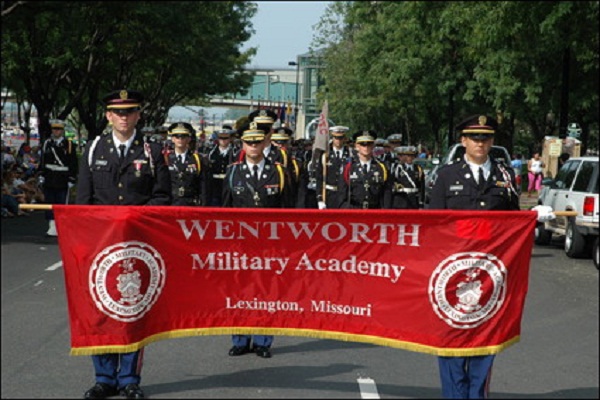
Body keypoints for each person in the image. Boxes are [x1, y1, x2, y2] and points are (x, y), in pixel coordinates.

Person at [76, 89, 171, 400]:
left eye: (130, 111)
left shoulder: (153, 151)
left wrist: (137, 218)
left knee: (133, 310)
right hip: (100, 244)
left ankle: (129, 378)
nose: (124, 117)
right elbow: (83, 201)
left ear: (139, 115)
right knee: (100, 309)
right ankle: (104, 378)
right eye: (118, 112)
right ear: (108, 116)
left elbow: (162, 198)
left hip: (137, 243)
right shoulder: (93, 149)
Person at [429, 114, 519, 399]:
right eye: (475, 137)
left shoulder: (504, 176)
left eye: (486, 138)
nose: (481, 143)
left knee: (485, 337)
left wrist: (532, 217)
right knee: (451, 337)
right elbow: (434, 226)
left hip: (491, 274)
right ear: (463, 140)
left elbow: (513, 224)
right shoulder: (446, 175)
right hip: (452, 272)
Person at [222, 121, 291, 359]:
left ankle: (263, 341)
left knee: (266, 291)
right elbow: (224, 210)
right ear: (242, 144)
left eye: (257, 142)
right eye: (248, 142)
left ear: (265, 143)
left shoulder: (279, 171)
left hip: (269, 243)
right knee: (239, 290)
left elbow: (288, 210)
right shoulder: (232, 172)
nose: (253, 146)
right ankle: (240, 339)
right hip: (239, 242)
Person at [37, 119, 79, 236]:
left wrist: (72, 178)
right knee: (50, 202)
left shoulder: (69, 144)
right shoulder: (47, 143)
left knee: (61, 202)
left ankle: (60, 225)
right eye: (54, 129)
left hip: (62, 177)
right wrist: (41, 174)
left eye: (59, 129)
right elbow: (43, 160)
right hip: (50, 176)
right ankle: (51, 225)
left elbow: (73, 162)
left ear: (62, 130)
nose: (56, 131)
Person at [338, 131, 392, 209]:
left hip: (374, 211)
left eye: (369, 144)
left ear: (373, 146)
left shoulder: (381, 167)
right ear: (356, 146)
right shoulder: (348, 167)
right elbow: (342, 194)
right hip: (354, 210)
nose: (366, 147)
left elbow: (387, 193)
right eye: (362, 144)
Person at [166, 122, 207, 206]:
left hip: (191, 204)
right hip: (171, 203)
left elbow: (203, 186)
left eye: (183, 136)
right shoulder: (166, 159)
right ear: (172, 139)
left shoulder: (198, 160)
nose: (180, 139)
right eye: (177, 136)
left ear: (188, 139)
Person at [315, 125, 351, 209]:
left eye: (341, 138)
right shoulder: (325, 155)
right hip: (328, 194)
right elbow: (319, 177)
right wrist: (319, 198)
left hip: (345, 195)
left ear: (344, 139)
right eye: (336, 138)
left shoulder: (350, 154)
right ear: (332, 138)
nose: (338, 140)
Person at [206, 127, 236, 206]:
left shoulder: (234, 152)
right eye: (221, 138)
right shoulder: (211, 153)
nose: (223, 140)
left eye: (226, 138)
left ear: (230, 139)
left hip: (228, 184)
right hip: (215, 185)